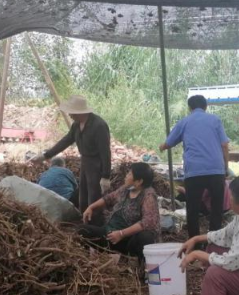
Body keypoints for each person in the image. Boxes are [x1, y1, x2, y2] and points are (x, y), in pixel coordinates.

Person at [159, 94, 229, 238]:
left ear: (190, 108)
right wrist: (225, 166)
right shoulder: (215, 120)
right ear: (206, 106)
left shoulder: (184, 122)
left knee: (193, 208)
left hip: (194, 172)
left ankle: (195, 241)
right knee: (217, 207)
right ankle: (214, 238)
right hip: (216, 170)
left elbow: (168, 144)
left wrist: (161, 146)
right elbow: (224, 145)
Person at [33, 95, 111, 224]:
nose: (69, 115)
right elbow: (66, 141)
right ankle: (84, 221)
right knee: (83, 197)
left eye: (71, 112)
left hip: (96, 164)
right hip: (85, 162)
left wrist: (105, 176)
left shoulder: (99, 125)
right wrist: (46, 155)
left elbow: (105, 152)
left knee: (94, 197)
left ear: (79, 112)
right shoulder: (76, 125)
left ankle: (96, 227)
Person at [78, 162, 159, 264]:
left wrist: (121, 234)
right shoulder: (126, 189)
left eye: (129, 174)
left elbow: (148, 222)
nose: (126, 176)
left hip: (128, 241)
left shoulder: (148, 195)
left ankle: (133, 262)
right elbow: (108, 198)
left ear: (139, 181)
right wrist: (91, 207)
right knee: (82, 230)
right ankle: (89, 260)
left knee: (145, 236)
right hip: (110, 234)